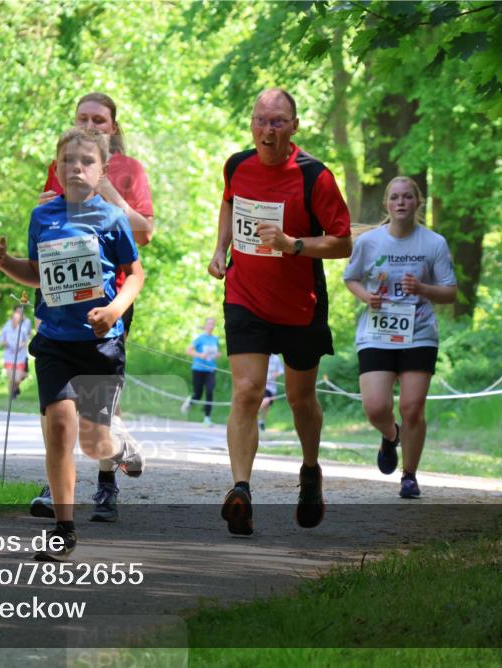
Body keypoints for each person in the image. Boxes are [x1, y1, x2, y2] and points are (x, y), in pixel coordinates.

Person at [0, 127, 144, 560]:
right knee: (59, 428)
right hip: (54, 341)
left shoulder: (112, 219)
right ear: (56, 169)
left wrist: (114, 311)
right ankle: (63, 529)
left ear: (102, 170)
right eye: (68, 161)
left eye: (86, 162)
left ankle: (119, 443)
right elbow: (37, 274)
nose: (76, 167)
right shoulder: (43, 217)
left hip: (99, 343)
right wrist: (5, 264)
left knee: (95, 444)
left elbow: (136, 274)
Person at [207, 88, 352, 534]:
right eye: (260, 120)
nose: (267, 130)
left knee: (299, 398)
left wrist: (294, 246)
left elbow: (343, 241)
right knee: (247, 390)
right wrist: (220, 249)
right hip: (245, 295)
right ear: (251, 123)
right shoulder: (237, 165)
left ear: (294, 127)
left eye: (277, 122)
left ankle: (310, 471)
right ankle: (241, 491)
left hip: (299, 305)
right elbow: (230, 201)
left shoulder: (315, 177)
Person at [32, 92, 155, 522]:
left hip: (110, 300)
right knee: (58, 404)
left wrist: (107, 192)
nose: (91, 124)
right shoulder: (65, 161)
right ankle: (57, 487)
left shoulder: (129, 170)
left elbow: (145, 233)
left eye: (99, 119)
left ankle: (107, 484)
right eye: (83, 117)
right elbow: (50, 220)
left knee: (101, 407)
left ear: (113, 127)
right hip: (59, 298)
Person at [343, 176, 457, 499]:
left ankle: (409, 475)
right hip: (377, 332)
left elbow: (450, 293)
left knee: (412, 407)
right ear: (386, 204)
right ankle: (390, 435)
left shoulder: (434, 243)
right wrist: (367, 297)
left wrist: (422, 289)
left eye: (408, 197)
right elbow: (351, 279)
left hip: (419, 333)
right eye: (395, 198)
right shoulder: (369, 242)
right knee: (376, 408)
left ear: (418, 203)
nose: (401, 202)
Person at [181, 317, 221, 426]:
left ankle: (207, 418)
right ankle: (189, 402)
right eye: (209, 324)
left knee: (209, 391)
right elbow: (188, 350)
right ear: (205, 325)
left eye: (213, 324)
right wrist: (200, 355)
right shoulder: (199, 338)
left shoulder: (215, 339)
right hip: (198, 369)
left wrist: (217, 355)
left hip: (211, 369)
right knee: (198, 394)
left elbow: (217, 352)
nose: (211, 326)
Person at [0, 306, 30, 399]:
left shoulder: (23, 329)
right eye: (13, 319)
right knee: (12, 378)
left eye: (17, 319)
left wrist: (22, 344)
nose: (15, 321)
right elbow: (2, 342)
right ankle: (11, 395)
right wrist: (6, 343)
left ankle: (15, 389)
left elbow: (27, 341)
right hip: (9, 357)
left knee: (17, 379)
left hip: (20, 357)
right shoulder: (6, 328)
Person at [258, 353, 284, 432]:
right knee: (267, 400)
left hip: (272, 387)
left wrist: (272, 376)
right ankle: (253, 413)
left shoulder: (276, 359)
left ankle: (261, 421)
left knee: (267, 406)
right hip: (263, 385)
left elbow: (281, 371)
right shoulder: (262, 356)